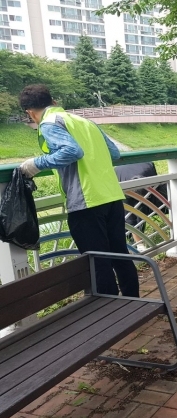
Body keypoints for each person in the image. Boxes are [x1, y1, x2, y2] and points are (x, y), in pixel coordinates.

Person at [18, 84, 139, 297]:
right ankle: (133, 302)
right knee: (120, 254)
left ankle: (110, 316)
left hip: (86, 201)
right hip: (110, 196)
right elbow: (114, 153)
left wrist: (36, 164)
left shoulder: (48, 123)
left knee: (97, 262)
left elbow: (72, 151)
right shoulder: (84, 121)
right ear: (53, 101)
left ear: (29, 112)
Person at [115, 162, 168, 252]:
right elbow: (130, 220)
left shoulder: (149, 166)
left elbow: (157, 184)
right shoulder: (125, 191)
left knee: (140, 210)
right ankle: (137, 244)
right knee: (131, 216)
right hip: (123, 187)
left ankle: (136, 242)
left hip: (142, 183)